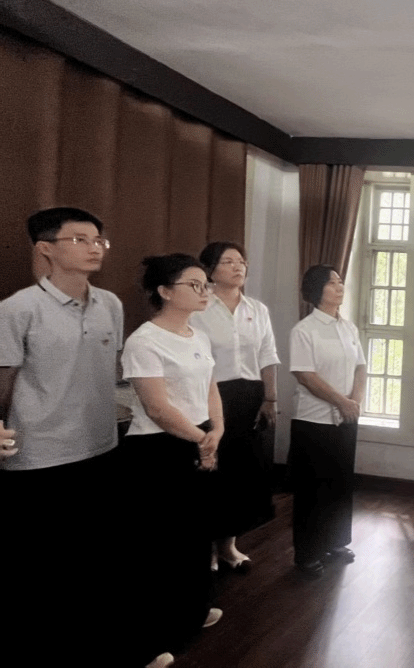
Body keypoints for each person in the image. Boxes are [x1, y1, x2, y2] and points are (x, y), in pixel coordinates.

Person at [0, 207, 125, 664]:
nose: (94, 247)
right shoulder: (18, 309)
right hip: (41, 453)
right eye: (79, 239)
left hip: (101, 445)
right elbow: (3, 379)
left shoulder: (110, 304)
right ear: (45, 248)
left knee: (93, 561)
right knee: (44, 568)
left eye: (98, 240)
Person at [120, 254, 224, 667]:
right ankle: (151, 639)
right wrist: (203, 439)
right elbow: (158, 408)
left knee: (195, 536)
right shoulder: (144, 341)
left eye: (205, 285)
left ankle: (192, 613)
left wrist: (217, 429)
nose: (204, 292)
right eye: (194, 285)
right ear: (164, 291)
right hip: (159, 450)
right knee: (160, 547)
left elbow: (211, 388)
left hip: (199, 439)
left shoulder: (199, 336)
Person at [191, 241, 279, 573]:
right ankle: (206, 550)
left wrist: (270, 398)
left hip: (251, 396)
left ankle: (229, 546)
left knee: (243, 473)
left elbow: (268, 355)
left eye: (241, 261)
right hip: (211, 395)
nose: (238, 266)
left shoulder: (257, 309)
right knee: (213, 473)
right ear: (210, 270)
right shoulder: (199, 307)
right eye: (228, 261)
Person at [288, 265, 366, 578]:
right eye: (332, 283)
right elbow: (305, 375)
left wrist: (354, 401)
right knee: (313, 490)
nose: (339, 286)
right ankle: (307, 554)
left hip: (346, 418)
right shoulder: (304, 330)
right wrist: (341, 402)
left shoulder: (348, 328)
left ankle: (336, 542)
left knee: (340, 484)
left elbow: (360, 367)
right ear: (316, 290)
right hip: (314, 420)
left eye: (340, 281)